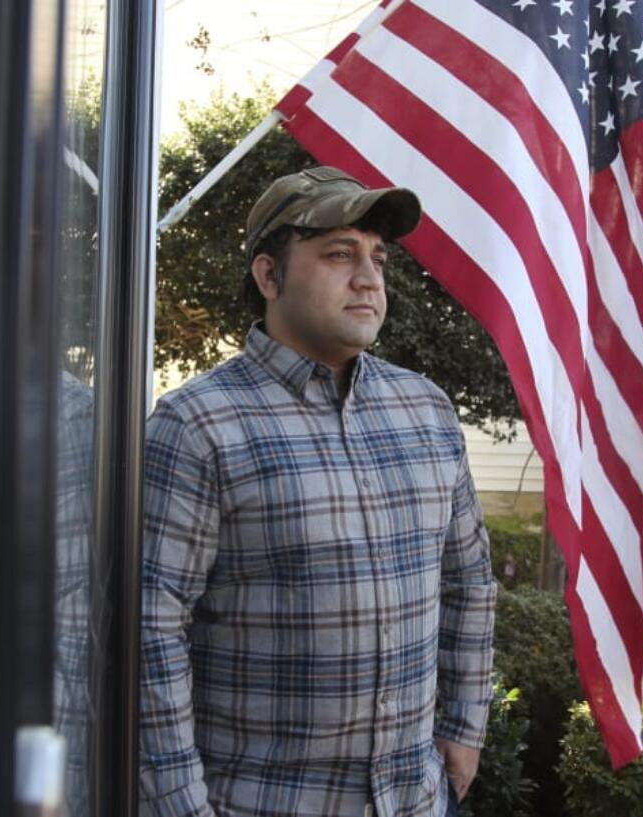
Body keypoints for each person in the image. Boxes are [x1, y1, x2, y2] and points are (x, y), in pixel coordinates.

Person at [139, 166, 497, 817]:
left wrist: (464, 726)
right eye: (339, 254)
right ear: (268, 276)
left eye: (377, 258)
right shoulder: (197, 425)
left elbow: (468, 578)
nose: (368, 278)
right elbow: (148, 628)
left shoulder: (426, 410)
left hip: (418, 798)